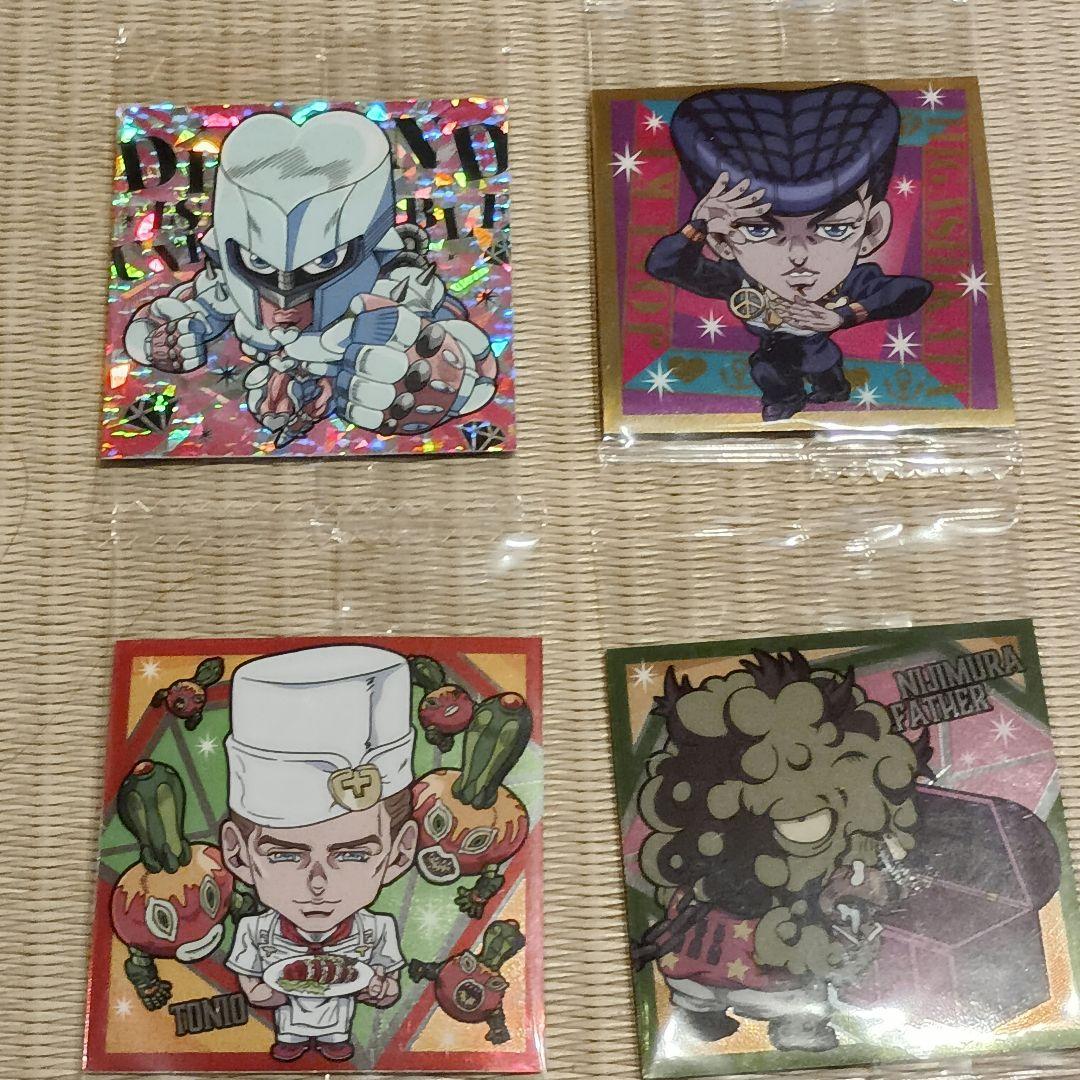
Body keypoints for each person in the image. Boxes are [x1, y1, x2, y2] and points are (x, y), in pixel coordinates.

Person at [646, 83, 933, 421]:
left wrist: (845, 315)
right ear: (722, 241)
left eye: (834, 229)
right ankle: (786, 402)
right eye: (759, 230)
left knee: (826, 374)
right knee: (768, 373)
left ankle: (834, 391)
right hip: (773, 350)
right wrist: (697, 227)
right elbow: (664, 266)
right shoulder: (737, 281)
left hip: (818, 349)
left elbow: (912, 290)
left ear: (872, 230)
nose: (798, 255)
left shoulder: (853, 283)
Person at [220, 645, 418, 1062]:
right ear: (238, 856)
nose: (317, 884)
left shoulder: (377, 931)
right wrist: (262, 992)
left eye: (352, 855)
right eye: (285, 856)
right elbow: (251, 982)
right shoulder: (255, 932)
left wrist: (380, 989)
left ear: (399, 855)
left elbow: (389, 988)